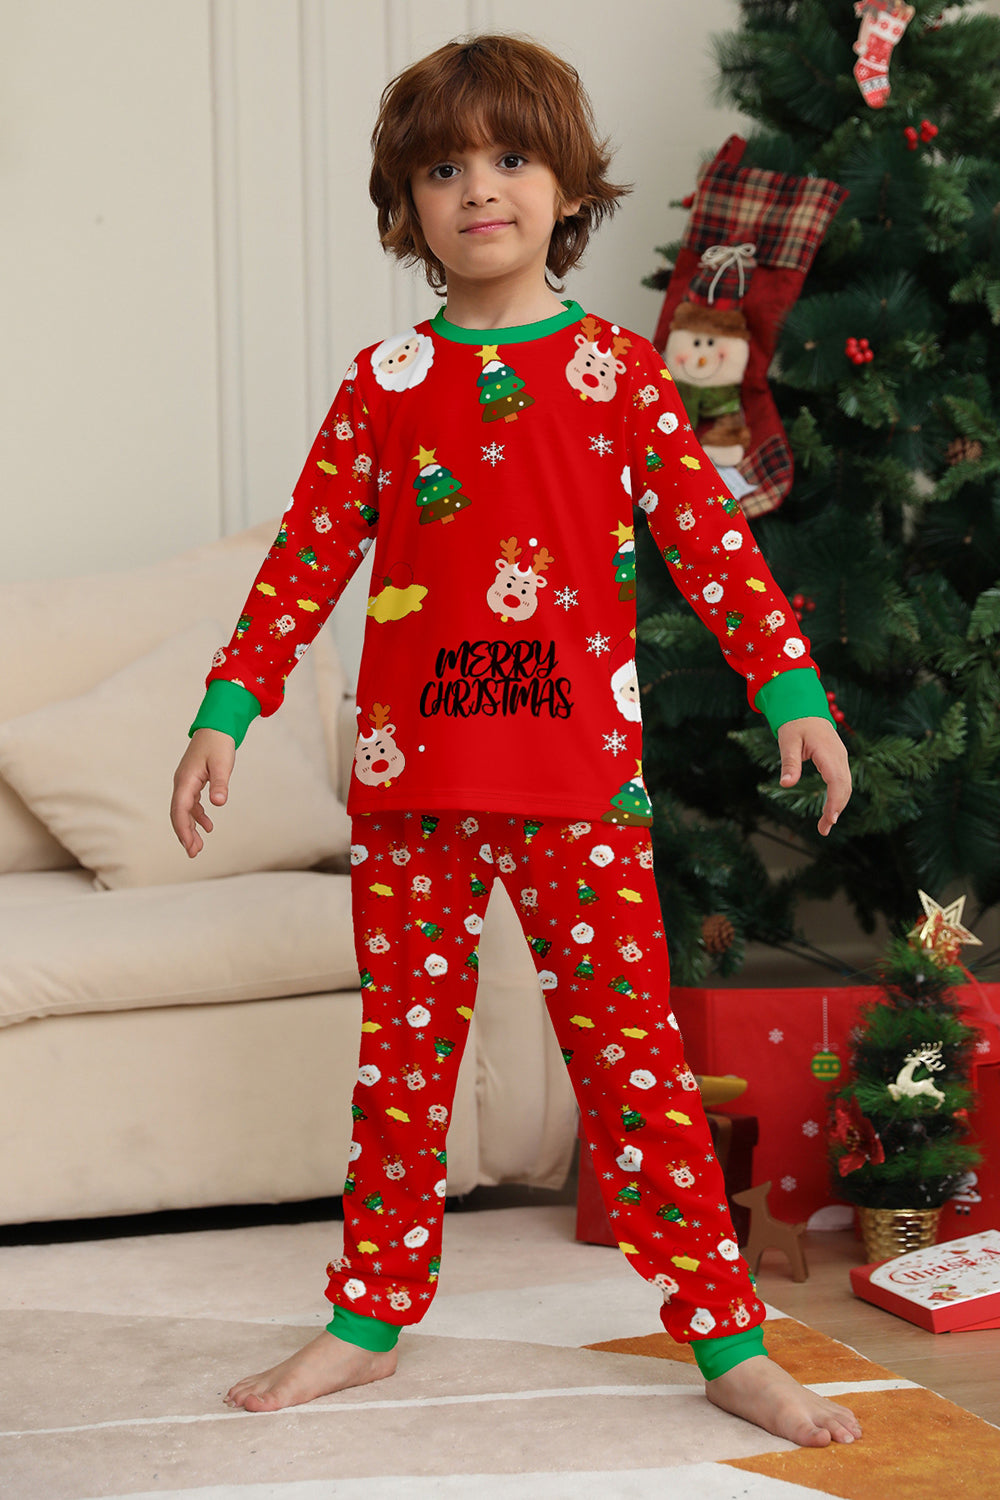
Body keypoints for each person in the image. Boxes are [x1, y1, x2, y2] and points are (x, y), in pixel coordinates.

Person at [170, 33, 859, 1448]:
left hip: (577, 786)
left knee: (636, 1070)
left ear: (567, 188)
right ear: (405, 206)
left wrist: (789, 688)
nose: (477, 187)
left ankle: (726, 1341)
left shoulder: (616, 373)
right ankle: (366, 1322)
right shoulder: (384, 383)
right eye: (441, 168)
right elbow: (304, 560)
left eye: (509, 157)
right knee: (401, 1076)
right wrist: (227, 711)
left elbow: (710, 543)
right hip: (409, 787)